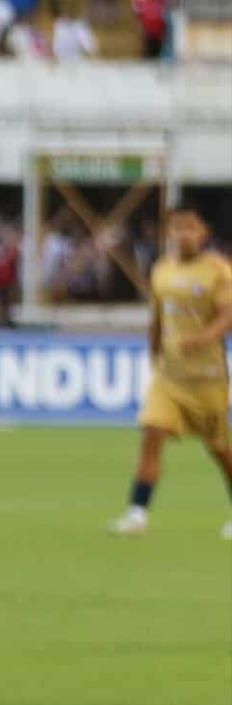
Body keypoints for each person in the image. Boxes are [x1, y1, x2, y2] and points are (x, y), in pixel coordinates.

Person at [109, 206, 232, 539]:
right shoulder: (162, 270)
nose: (184, 234)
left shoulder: (218, 270)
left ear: (204, 232)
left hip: (208, 379)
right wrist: (154, 355)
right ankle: (137, 514)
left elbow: (227, 315)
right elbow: (158, 320)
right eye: (177, 228)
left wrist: (203, 338)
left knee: (221, 450)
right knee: (152, 433)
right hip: (170, 377)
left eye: (191, 227)